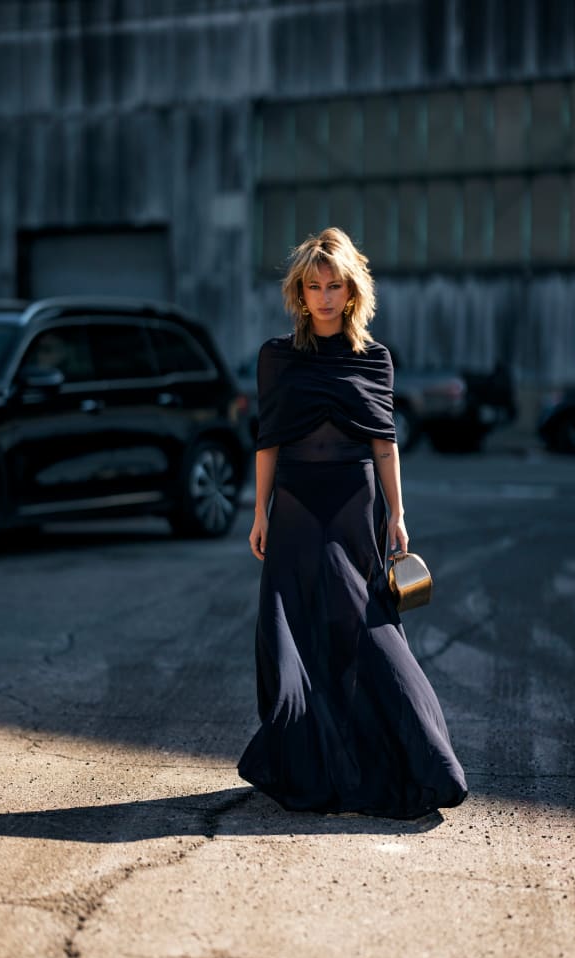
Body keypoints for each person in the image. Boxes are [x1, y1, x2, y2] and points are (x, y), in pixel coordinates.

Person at [237, 228, 467, 819]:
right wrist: (259, 512)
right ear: (299, 292)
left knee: (363, 630)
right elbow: (269, 441)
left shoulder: (376, 359)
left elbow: (384, 444)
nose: (323, 296)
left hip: (352, 506)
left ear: (351, 290)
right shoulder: (276, 357)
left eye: (333, 285)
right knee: (288, 633)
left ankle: (424, 760)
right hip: (291, 505)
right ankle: (307, 756)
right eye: (312, 286)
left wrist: (399, 514)